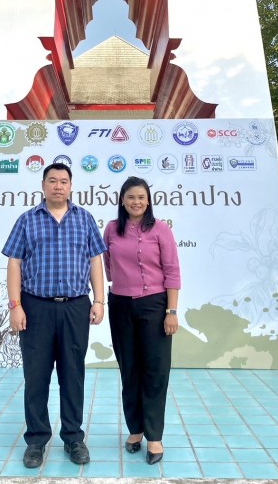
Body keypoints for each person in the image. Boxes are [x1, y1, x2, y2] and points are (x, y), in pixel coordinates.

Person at [2, 162, 106, 469]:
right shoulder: (27, 220)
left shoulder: (84, 218)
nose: (58, 186)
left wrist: (99, 300)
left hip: (75, 307)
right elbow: (14, 263)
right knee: (36, 376)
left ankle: (73, 438)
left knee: (72, 375)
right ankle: (36, 440)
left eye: (63, 181)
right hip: (36, 308)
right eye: (52, 180)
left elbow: (95, 261)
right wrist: (15, 305)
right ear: (43, 185)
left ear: (71, 186)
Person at [103, 176, 181, 465]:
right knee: (129, 370)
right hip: (120, 305)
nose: (136, 202)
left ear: (148, 201)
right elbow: (107, 265)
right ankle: (135, 430)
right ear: (122, 201)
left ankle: (155, 436)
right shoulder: (112, 229)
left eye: (141, 197)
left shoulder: (161, 229)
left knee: (155, 371)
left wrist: (171, 312)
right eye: (131, 197)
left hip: (155, 306)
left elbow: (172, 271)